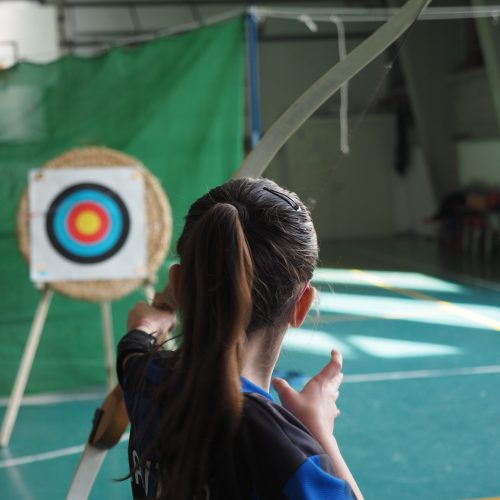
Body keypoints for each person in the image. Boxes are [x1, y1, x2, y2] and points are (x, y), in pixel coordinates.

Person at [117, 177, 363, 499]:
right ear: (301, 305)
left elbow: (133, 348)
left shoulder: (145, 376)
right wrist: (317, 431)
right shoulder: (285, 452)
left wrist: (145, 327)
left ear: (177, 286)